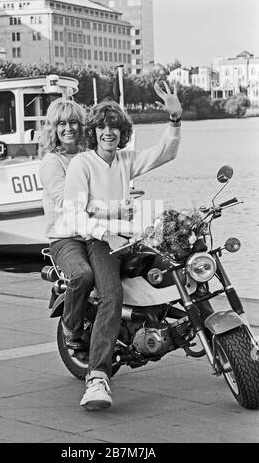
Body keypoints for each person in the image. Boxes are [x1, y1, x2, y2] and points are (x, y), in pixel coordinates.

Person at [56, 81, 183, 411]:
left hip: (133, 237)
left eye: (114, 126)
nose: (108, 132)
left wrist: (174, 119)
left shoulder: (125, 160)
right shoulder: (81, 164)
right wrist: (103, 232)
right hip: (100, 241)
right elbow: (73, 212)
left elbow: (165, 153)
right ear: (94, 131)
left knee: (176, 267)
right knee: (112, 294)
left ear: (122, 132)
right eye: (102, 126)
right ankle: (97, 377)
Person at [39, 99, 94, 350]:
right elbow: (64, 200)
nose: (68, 128)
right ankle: (71, 327)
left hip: (94, 232)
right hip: (65, 237)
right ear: (53, 128)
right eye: (61, 123)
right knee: (82, 275)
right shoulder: (52, 162)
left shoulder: (89, 156)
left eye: (73, 122)